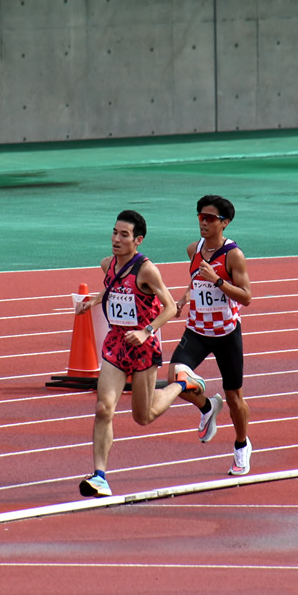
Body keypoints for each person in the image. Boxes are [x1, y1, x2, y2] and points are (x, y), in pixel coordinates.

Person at [77, 210, 206, 497]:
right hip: (116, 344)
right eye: (114, 232)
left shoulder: (146, 270)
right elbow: (112, 289)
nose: (116, 239)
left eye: (124, 235)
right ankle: (100, 476)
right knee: (103, 408)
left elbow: (170, 307)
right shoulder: (108, 264)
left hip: (143, 347)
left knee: (143, 416)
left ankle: (183, 384)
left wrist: (147, 331)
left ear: (138, 240)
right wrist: (91, 302)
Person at [170, 195, 253, 475]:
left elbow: (246, 296)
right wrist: (183, 299)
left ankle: (241, 446)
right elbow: (196, 282)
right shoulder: (193, 249)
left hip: (226, 332)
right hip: (197, 329)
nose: (203, 222)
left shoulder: (233, 255)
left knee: (234, 398)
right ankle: (207, 406)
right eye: (200, 217)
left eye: (209, 218)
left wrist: (217, 280)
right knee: (175, 377)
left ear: (224, 223)